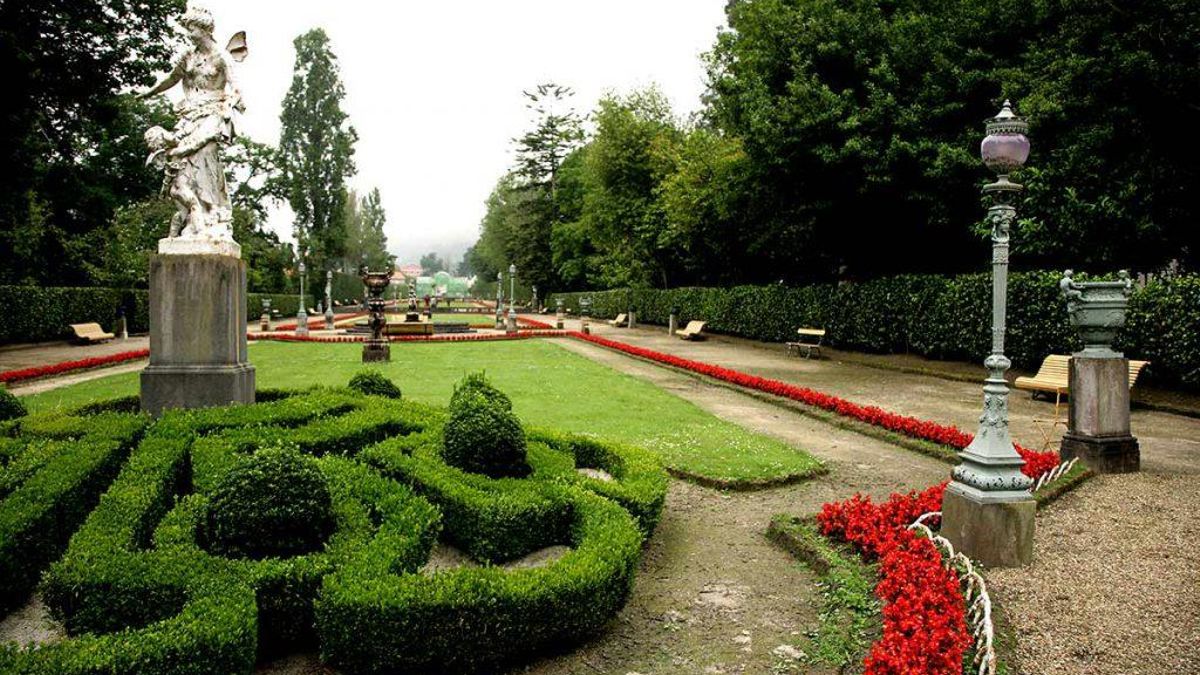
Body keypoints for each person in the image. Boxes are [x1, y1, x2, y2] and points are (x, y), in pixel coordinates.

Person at [139, 4, 244, 242]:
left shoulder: (222, 57)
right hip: (189, 116)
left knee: (205, 157)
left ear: (205, 29)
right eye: (188, 28)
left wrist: (230, 105)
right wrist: (150, 92)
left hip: (214, 113)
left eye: (192, 28)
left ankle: (210, 215)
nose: (189, 34)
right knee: (185, 164)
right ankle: (192, 219)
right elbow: (172, 78)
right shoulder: (188, 56)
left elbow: (236, 87)